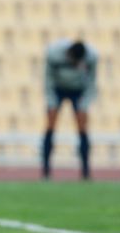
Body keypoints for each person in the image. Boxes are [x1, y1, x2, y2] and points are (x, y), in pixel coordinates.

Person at [42, 39, 98, 180]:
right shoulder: (54, 53)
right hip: (57, 89)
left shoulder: (91, 57)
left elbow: (91, 83)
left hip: (78, 91)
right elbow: (48, 80)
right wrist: (51, 102)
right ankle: (46, 171)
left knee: (82, 128)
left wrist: (84, 104)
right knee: (50, 126)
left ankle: (85, 172)